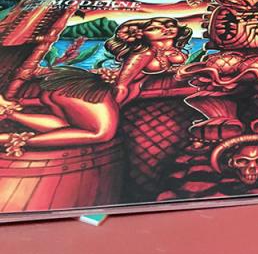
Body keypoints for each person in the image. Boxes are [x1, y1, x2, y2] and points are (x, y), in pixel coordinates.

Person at [0, 17, 191, 155]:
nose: (165, 29)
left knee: (67, 126)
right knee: (101, 133)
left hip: (77, 92)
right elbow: (122, 84)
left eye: (169, 25)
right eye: (155, 28)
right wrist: (111, 107)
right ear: (142, 35)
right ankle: (10, 139)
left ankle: (10, 113)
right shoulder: (144, 54)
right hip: (91, 92)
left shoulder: (166, 51)